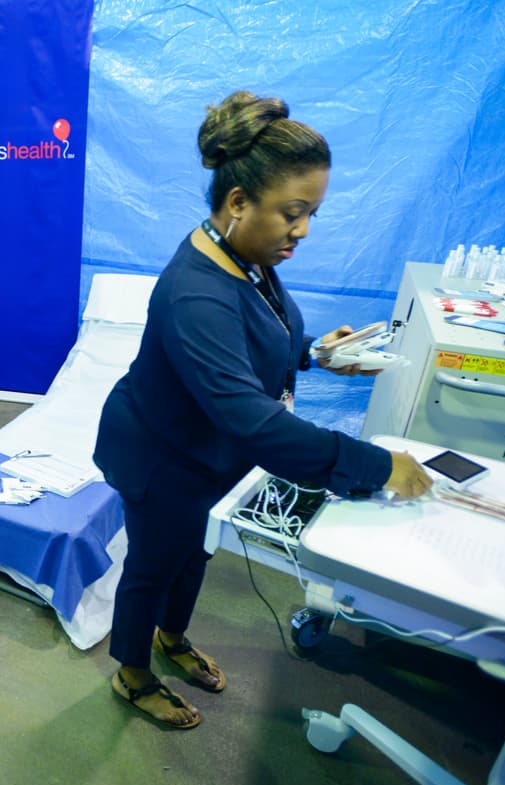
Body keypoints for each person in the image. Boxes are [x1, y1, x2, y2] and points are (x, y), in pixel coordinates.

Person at [92, 90, 432, 728]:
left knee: (195, 554)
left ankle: (171, 638)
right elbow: (256, 421)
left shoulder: (243, 255)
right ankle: (132, 674)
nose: (302, 231)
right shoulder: (196, 292)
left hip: (208, 449)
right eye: (293, 213)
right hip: (161, 457)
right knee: (154, 564)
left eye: (311, 213)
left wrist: (313, 353)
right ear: (239, 201)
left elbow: (254, 336)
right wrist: (378, 464)